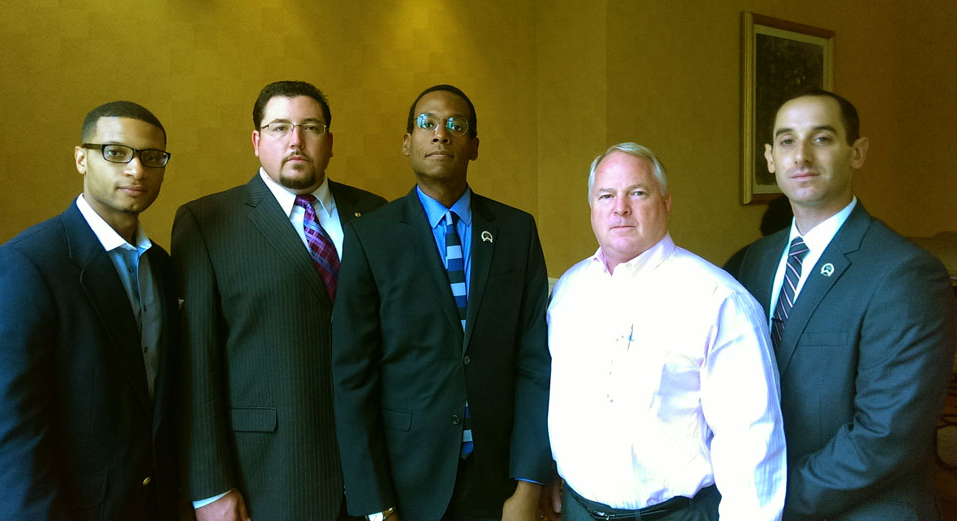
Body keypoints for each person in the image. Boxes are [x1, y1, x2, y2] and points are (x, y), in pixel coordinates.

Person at [728, 90, 957, 520]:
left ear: (857, 152)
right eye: (787, 141)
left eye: (822, 138)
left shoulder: (905, 273)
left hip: (858, 509)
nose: (802, 156)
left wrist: (770, 498)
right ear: (770, 158)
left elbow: (886, 438)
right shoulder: (750, 262)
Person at [331, 84, 552, 521]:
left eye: (457, 126)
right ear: (407, 142)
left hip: (497, 483)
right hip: (406, 483)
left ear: (474, 147)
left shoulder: (516, 231)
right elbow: (351, 378)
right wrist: (376, 506)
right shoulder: (370, 236)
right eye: (427, 124)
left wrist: (529, 486)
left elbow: (534, 365)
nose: (441, 134)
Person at [171, 80, 387, 521]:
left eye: (311, 126)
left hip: (375, 469)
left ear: (329, 141)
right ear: (256, 141)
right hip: (270, 472)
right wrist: (210, 488)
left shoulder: (377, 212)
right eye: (279, 127)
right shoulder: (207, 222)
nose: (296, 140)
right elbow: (197, 363)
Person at [0, 101, 179, 520]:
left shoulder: (162, 266)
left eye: (152, 157)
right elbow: (0, 439)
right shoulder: (21, 267)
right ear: (81, 158)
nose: (137, 170)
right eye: (115, 152)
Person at [546, 142, 787, 521]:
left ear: (666, 203)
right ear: (591, 207)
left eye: (637, 193)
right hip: (579, 511)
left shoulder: (718, 299)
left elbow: (751, 441)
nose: (620, 207)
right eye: (606, 195)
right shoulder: (568, 292)